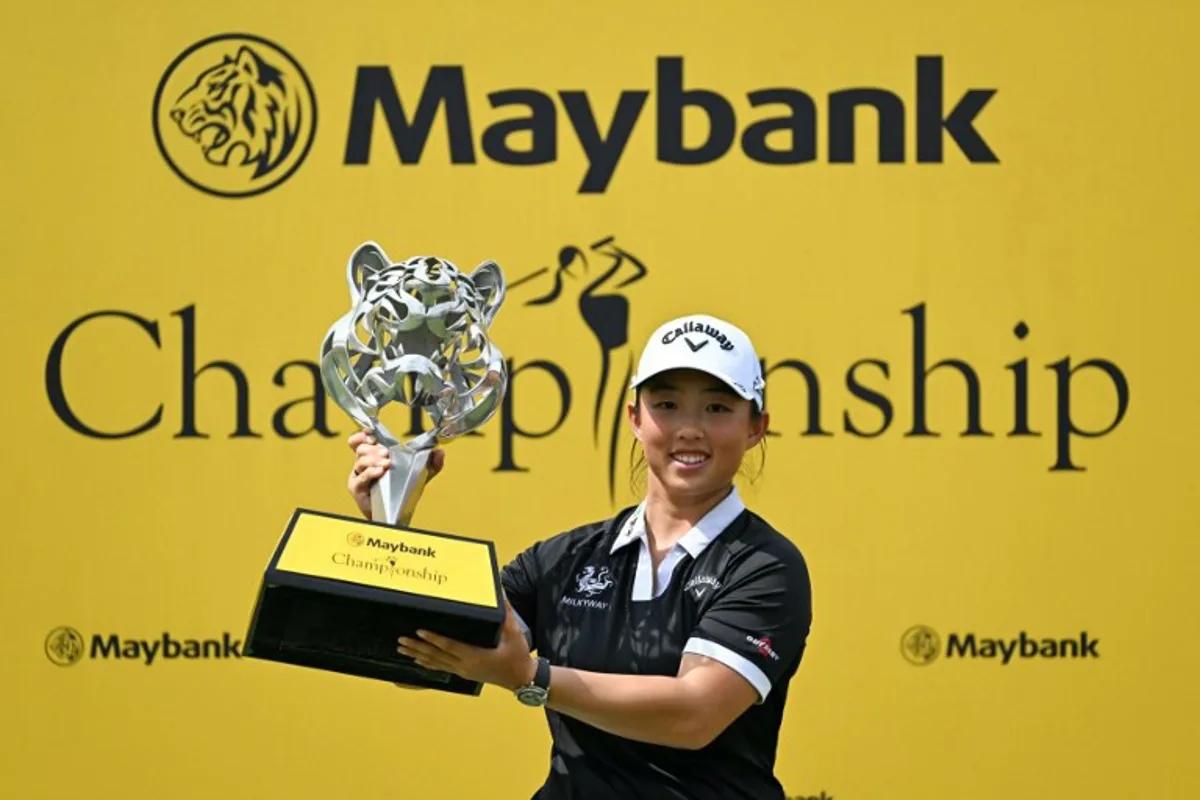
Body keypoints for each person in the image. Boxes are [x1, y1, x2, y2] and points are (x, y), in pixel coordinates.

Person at [347, 314, 813, 800]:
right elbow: (428, 657)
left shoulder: (765, 566)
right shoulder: (565, 559)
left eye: (717, 408)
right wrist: (390, 525)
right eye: (667, 404)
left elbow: (693, 715)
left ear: (756, 427)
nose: (690, 429)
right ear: (635, 418)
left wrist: (532, 677)